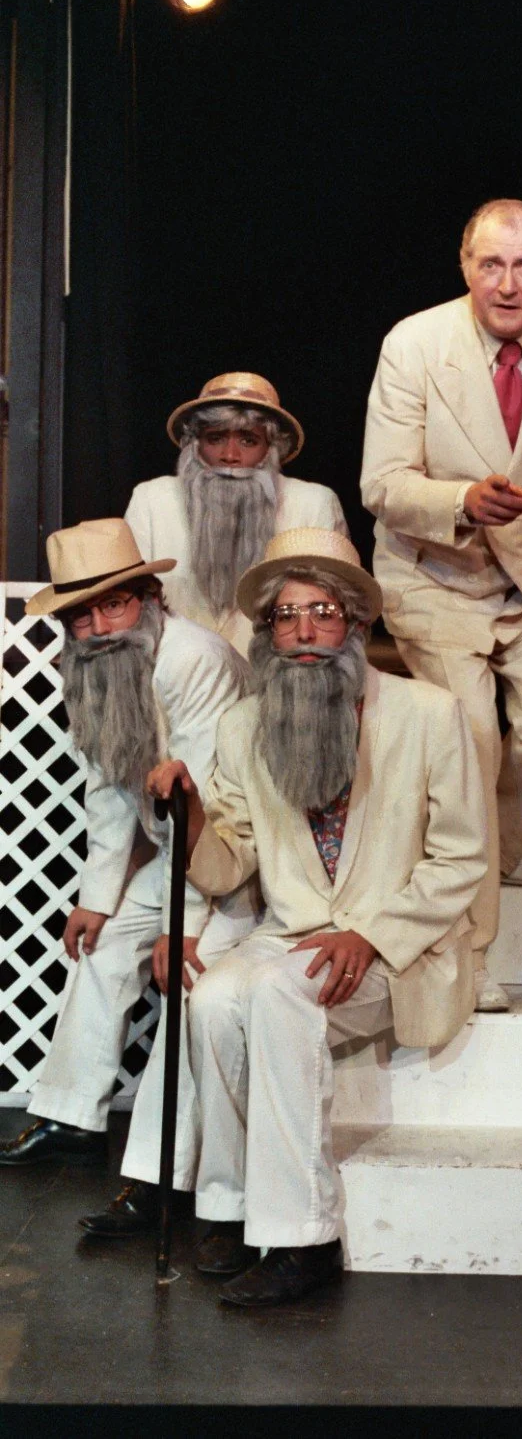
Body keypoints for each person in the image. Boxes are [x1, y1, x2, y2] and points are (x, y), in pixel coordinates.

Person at [145, 528, 488, 1306]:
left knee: (274, 992)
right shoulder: (243, 726)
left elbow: (462, 858)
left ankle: (304, 1237)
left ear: (356, 625)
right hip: (291, 936)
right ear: (265, 634)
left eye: (323, 613)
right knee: (216, 998)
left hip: (397, 946)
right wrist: (193, 813)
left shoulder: (429, 714)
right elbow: (231, 864)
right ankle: (229, 1207)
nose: (303, 633)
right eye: (285, 617)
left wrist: (371, 932)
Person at [361, 198, 522, 1010]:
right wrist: (463, 500)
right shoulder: (415, 343)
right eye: (489, 264)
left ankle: (490, 859)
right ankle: (469, 953)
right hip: (434, 578)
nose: (505, 284)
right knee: (469, 741)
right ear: (465, 265)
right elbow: (381, 485)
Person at [0, 519, 257, 1222]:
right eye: (81, 614)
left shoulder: (192, 661)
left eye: (114, 604)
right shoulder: (88, 668)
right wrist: (98, 898)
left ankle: (161, 1176)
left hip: (238, 865)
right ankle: (71, 1117)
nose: (99, 625)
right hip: (170, 851)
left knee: (191, 984)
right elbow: (110, 786)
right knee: (103, 944)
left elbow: (213, 808)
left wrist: (189, 927)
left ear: (147, 598)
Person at [125, 372, 348, 656]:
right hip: (174, 686)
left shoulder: (313, 503)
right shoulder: (152, 500)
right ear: (194, 444)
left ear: (272, 448)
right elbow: (131, 608)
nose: (230, 455)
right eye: (216, 438)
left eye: (248, 440)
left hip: (273, 681)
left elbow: (333, 614)